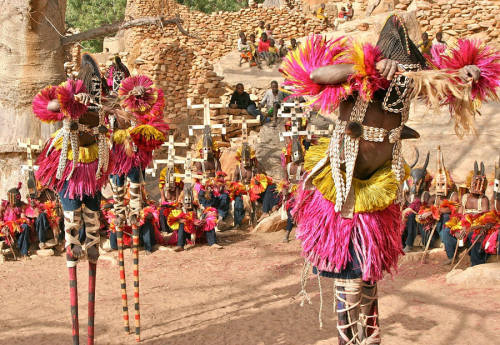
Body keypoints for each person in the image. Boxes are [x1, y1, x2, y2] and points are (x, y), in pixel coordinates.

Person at [281, 14, 492, 344]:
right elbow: (316, 74)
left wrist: (469, 74)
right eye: (397, 67)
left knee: (367, 278)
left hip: (379, 189)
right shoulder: (355, 84)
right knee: (350, 278)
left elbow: (449, 81)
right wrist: (365, 69)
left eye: (406, 69)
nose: (401, 75)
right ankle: (347, 339)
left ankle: (371, 337)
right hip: (342, 188)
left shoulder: (409, 85)